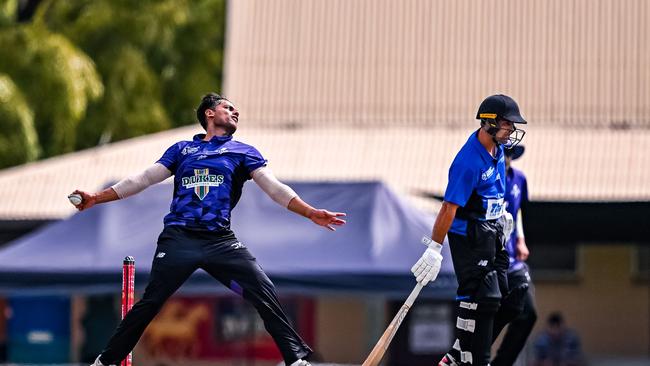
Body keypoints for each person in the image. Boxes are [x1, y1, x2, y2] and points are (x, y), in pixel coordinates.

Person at [70, 93, 346, 366]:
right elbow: (142, 179)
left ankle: (295, 360)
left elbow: (274, 188)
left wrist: (310, 212)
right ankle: (106, 362)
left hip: (220, 241)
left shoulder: (243, 151)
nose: (236, 112)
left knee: (263, 289)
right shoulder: (181, 150)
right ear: (209, 114)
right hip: (179, 238)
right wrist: (96, 198)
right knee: (151, 302)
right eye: (228, 107)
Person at [411, 94, 527, 366]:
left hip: (492, 233)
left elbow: (494, 192)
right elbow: (448, 208)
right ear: (488, 123)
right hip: (470, 237)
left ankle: (459, 351)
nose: (511, 131)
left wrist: (503, 214)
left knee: (513, 300)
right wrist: (435, 247)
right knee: (485, 297)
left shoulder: (497, 151)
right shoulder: (467, 161)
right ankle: (473, 358)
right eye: (507, 125)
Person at [489, 144, 538, 366]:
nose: (506, 158)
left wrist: (521, 238)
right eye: (502, 152)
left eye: (509, 153)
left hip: (513, 261)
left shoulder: (519, 179)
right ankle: (469, 359)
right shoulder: (485, 179)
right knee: (487, 318)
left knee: (528, 312)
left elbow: (515, 210)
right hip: (489, 261)